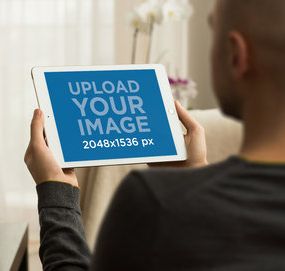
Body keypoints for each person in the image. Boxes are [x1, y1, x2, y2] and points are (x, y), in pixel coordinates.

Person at [25, 0, 285, 269]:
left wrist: (56, 193)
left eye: (212, 29)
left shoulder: (154, 202)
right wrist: (193, 176)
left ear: (236, 55)